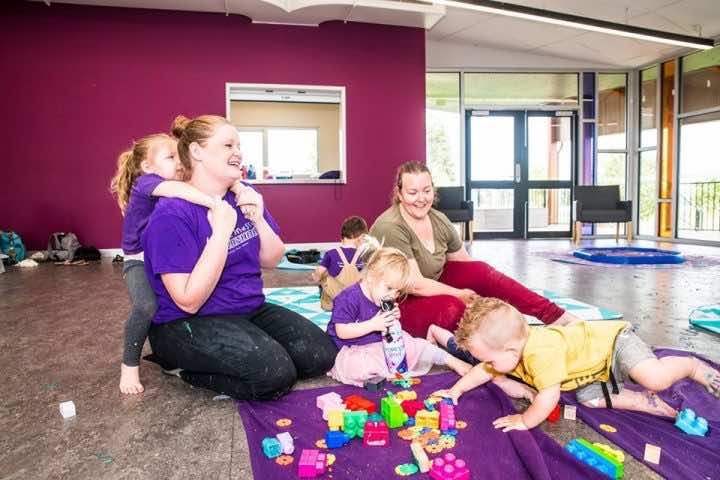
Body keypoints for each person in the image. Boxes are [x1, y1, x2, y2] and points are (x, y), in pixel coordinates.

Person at [141, 114, 337, 400]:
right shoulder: (171, 214)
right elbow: (188, 299)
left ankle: (253, 350)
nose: (238, 153)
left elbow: (272, 259)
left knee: (321, 355)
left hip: (247, 309)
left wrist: (257, 217)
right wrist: (221, 230)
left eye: (239, 146)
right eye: (228, 145)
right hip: (185, 323)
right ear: (197, 152)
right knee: (274, 375)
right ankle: (180, 368)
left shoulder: (243, 196)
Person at [434, 297, 720, 432]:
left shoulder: (538, 352)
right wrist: (456, 391)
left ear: (509, 350)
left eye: (490, 360)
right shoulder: (508, 353)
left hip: (614, 344)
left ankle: (691, 366)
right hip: (593, 371)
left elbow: (548, 397)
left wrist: (524, 420)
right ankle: (642, 400)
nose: (487, 366)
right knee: (589, 399)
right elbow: (482, 371)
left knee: (654, 377)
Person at [370, 161, 579, 338]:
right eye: (412, 192)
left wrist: (485, 294)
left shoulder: (438, 219)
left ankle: (556, 316)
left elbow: (466, 264)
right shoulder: (390, 226)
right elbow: (413, 284)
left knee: (481, 271)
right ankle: (501, 343)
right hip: (399, 301)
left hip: (434, 286)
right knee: (453, 308)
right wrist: (460, 294)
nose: (421, 198)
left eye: (427, 191)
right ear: (399, 193)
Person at [110, 132, 215, 395]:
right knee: (147, 305)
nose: (178, 163)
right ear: (148, 166)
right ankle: (129, 365)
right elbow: (177, 189)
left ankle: (168, 358)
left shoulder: (170, 182)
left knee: (171, 308)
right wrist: (215, 202)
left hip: (162, 258)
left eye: (179, 157)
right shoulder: (146, 183)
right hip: (138, 261)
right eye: (170, 157)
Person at [326, 238, 472, 386]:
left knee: (414, 345)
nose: (393, 296)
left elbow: (390, 330)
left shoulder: (383, 295)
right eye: (389, 288)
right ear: (370, 277)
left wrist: (393, 319)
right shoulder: (348, 298)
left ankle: (451, 360)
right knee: (356, 365)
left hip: (380, 344)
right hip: (352, 348)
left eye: (398, 291)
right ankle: (384, 372)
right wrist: (373, 324)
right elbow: (342, 331)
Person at [312, 215, 368, 311]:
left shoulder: (331, 253)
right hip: (357, 301)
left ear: (342, 238)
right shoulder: (364, 255)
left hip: (335, 300)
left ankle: (329, 301)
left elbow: (319, 273)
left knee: (322, 274)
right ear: (361, 238)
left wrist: (317, 278)